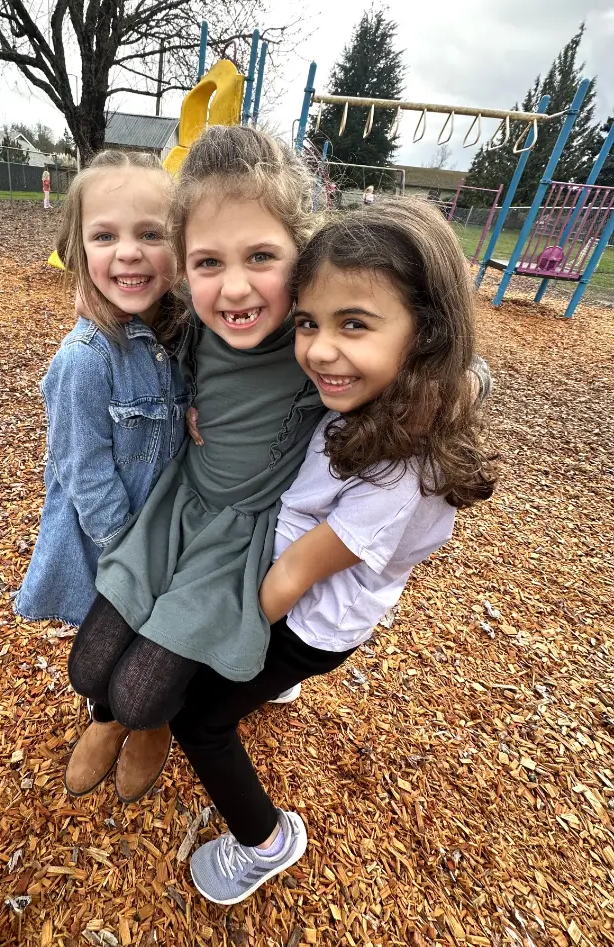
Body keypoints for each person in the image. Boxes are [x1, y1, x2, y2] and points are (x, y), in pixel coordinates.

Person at [171, 200, 498, 905]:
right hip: (316, 604)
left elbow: (289, 578)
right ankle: (271, 681)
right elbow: (474, 371)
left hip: (310, 622)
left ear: (426, 333)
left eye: (353, 323)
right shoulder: (388, 392)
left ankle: (265, 840)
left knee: (198, 718)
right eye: (308, 322)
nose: (319, 349)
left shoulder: (397, 465)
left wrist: (204, 634)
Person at [65, 126, 325, 800]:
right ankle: (109, 718)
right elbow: (122, 293)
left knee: (141, 691)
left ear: (306, 253)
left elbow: (414, 343)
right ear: (185, 266)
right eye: (209, 262)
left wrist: (463, 381)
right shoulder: (191, 323)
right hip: (176, 506)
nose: (234, 287)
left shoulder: (316, 340)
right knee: (88, 667)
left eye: (262, 255)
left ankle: (147, 723)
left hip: (237, 539)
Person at [15, 150, 189, 801]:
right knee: (99, 656)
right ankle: (109, 719)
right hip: (114, 542)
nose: (129, 253)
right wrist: (132, 555)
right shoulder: (86, 359)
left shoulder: (180, 337)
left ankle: (151, 720)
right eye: (106, 235)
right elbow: (83, 473)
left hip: (173, 531)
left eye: (151, 233)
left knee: (154, 651)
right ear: (79, 247)